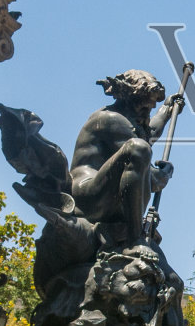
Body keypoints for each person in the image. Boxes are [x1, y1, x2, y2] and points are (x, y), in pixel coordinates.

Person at [68, 70, 183, 246]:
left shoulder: (127, 120)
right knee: (138, 148)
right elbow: (151, 177)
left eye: (152, 105)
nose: (150, 109)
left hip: (103, 191)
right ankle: (134, 238)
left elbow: (148, 133)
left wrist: (167, 110)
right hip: (88, 197)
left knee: (140, 147)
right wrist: (165, 173)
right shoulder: (110, 119)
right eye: (145, 105)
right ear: (130, 99)